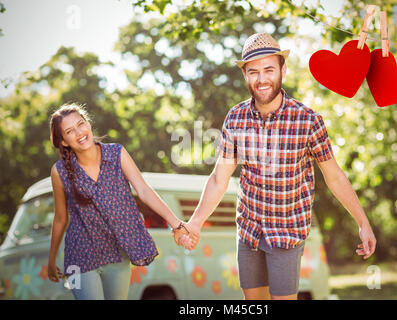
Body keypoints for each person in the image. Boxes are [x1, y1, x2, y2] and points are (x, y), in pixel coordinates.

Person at [180, 33, 377, 300]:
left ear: (283, 69)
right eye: (253, 72)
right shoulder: (236, 118)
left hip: (287, 231)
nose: (261, 79)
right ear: (245, 76)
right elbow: (219, 178)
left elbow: (334, 177)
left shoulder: (308, 120)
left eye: (269, 70)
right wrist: (195, 223)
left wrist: (362, 222)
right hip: (249, 231)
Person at [47, 103, 197, 300]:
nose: (79, 132)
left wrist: (177, 223)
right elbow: (60, 219)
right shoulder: (59, 172)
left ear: (88, 124)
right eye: (69, 131)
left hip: (117, 253)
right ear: (64, 141)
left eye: (81, 124)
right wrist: (51, 260)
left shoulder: (116, 154)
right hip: (79, 256)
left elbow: (143, 190)